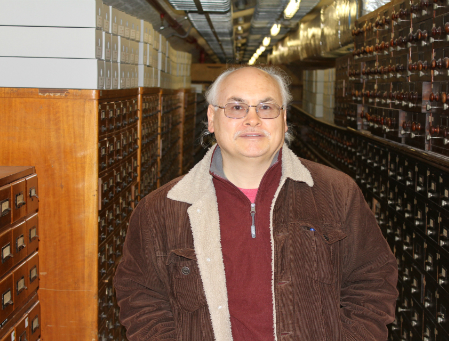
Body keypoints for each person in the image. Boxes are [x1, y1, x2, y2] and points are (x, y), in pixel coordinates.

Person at [114, 66, 398, 341]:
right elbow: (141, 297)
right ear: (212, 119)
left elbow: (373, 280)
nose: (253, 120)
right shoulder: (162, 209)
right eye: (236, 108)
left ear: (284, 119)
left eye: (266, 107)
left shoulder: (337, 192)